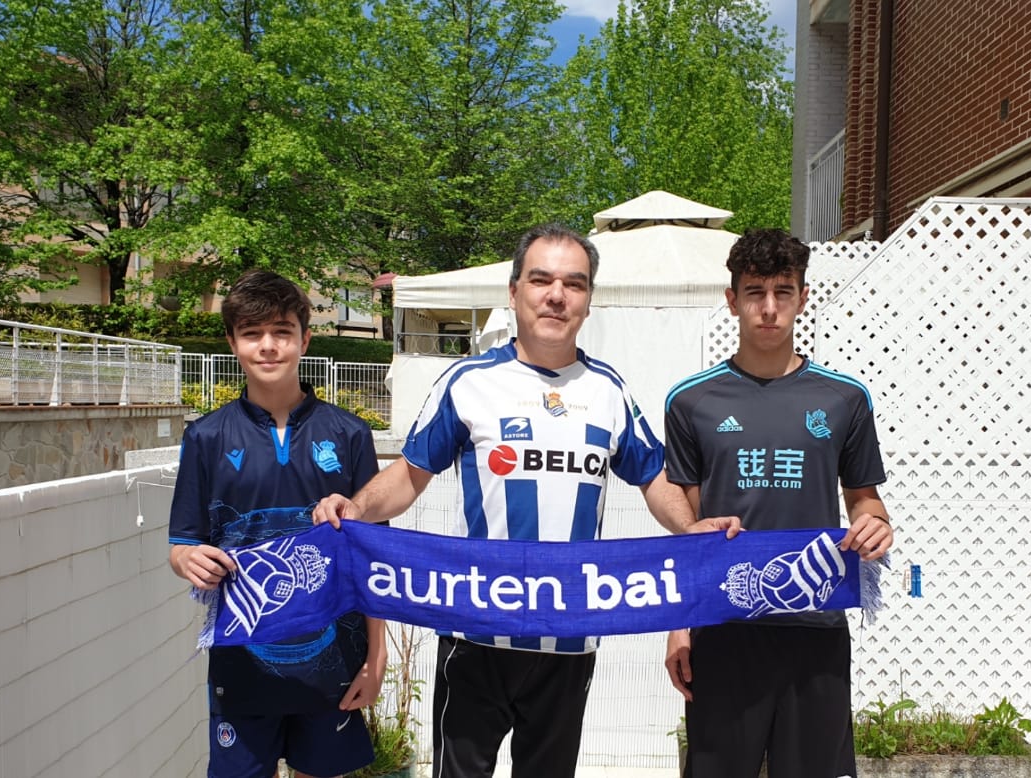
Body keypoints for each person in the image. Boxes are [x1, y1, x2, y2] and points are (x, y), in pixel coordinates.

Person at [312, 222, 739, 778]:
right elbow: (411, 475)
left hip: (568, 641)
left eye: (574, 284)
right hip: (475, 635)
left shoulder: (609, 391)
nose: (556, 295)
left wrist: (692, 530)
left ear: (589, 301)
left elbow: (653, 479)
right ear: (513, 292)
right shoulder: (467, 381)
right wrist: (357, 507)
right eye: (541, 280)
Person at [661, 228, 895, 778]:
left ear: (803, 298)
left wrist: (876, 526)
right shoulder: (690, 400)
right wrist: (679, 624)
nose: (769, 309)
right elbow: (692, 531)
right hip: (724, 628)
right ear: (732, 300)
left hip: (815, 625)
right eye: (755, 292)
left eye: (783, 292)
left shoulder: (844, 398)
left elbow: (865, 500)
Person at [168, 268, 387, 778]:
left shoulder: (350, 434)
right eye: (252, 333)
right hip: (242, 663)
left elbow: (373, 565)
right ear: (232, 341)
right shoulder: (206, 437)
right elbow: (181, 545)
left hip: (333, 664)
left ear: (305, 339)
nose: (268, 346)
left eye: (282, 332)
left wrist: (375, 662)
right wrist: (189, 560)